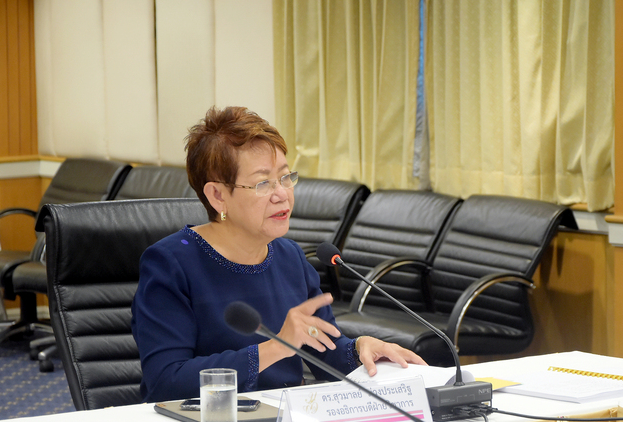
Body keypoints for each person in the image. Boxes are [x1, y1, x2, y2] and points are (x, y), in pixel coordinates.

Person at [131, 106, 425, 403]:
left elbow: (326, 354)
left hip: (282, 419)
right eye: (263, 183)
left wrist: (360, 349)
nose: (282, 194)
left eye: (285, 178)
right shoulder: (171, 263)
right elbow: (165, 382)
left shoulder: (289, 257)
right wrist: (276, 348)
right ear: (218, 195)